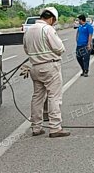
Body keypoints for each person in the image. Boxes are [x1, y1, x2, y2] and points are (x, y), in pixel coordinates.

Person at [23, 7, 70, 138]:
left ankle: (36, 127)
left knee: (37, 97)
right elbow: (59, 48)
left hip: (35, 67)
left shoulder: (29, 30)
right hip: (49, 66)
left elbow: (26, 49)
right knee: (54, 97)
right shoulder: (47, 29)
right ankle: (55, 128)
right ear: (51, 18)